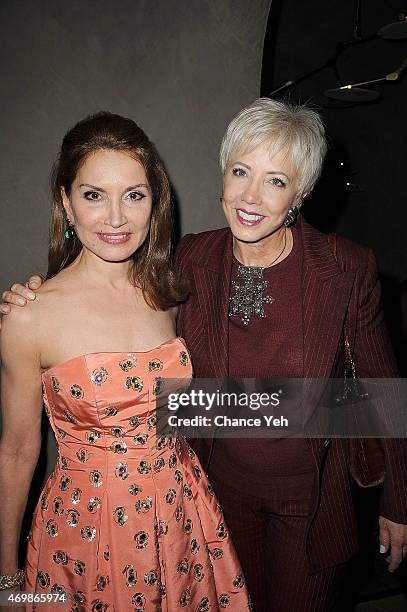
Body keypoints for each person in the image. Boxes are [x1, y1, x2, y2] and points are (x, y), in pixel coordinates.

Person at [3, 99, 407, 611]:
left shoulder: (344, 269)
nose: (251, 196)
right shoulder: (191, 261)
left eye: (275, 180)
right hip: (215, 499)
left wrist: (399, 503)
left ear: (300, 193)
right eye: (240, 171)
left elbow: (382, 394)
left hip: (305, 504)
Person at [0, 112, 250, 611]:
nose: (116, 218)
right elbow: (17, 454)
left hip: (181, 514)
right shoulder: (29, 318)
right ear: (67, 203)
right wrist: (7, 578)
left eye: (134, 195)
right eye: (94, 195)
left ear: (155, 204)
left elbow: (185, 408)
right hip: (87, 530)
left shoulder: (169, 293)